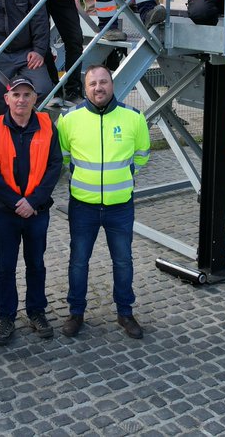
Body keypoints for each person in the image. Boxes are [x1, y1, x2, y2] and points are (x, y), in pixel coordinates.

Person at [56, 65, 150, 339]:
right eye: (93, 83)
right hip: (82, 206)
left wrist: (124, 176)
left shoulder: (133, 118)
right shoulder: (69, 119)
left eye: (104, 82)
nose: (99, 88)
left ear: (112, 84)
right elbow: (63, 157)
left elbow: (142, 155)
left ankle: (125, 312)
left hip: (120, 206)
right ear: (85, 89)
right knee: (78, 261)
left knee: (123, 261)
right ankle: (76, 313)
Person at [0, 78, 63, 345]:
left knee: (36, 264)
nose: (21, 100)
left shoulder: (48, 126)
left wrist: (33, 202)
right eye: (16, 95)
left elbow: (55, 166)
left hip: (37, 212)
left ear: (34, 99)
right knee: (5, 267)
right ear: (7, 99)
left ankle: (36, 312)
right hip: (6, 211)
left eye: (27, 94)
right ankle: (6, 317)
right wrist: (17, 201)